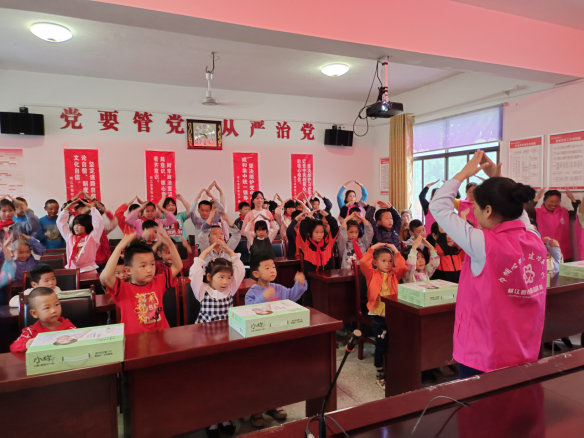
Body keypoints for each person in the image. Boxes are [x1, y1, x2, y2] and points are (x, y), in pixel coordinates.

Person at [430, 150, 546, 379]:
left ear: (489, 210)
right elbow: (518, 215)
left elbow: (439, 207)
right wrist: (498, 181)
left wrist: (463, 174)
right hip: (525, 347)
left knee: (479, 402)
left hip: (484, 352)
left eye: (476, 208)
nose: (473, 212)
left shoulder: (482, 243)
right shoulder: (534, 238)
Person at [244, 255, 307, 427]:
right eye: (267, 267)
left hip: (277, 337)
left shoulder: (278, 288)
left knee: (275, 373)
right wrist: (263, 297)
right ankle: (256, 409)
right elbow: (248, 312)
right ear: (256, 273)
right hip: (259, 340)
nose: (272, 270)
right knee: (259, 374)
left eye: (273, 267)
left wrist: (299, 283)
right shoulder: (252, 293)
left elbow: (292, 296)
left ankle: (273, 403)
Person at [100, 229, 182, 334]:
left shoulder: (158, 282)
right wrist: (119, 247)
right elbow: (105, 276)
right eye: (143, 266)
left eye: (152, 264)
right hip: (135, 340)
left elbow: (178, 266)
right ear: (128, 271)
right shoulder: (123, 289)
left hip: (161, 337)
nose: (149, 269)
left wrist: (169, 243)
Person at [360, 242, 407, 390]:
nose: (388, 264)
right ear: (375, 262)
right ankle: (380, 373)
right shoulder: (371, 274)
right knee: (380, 345)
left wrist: (395, 250)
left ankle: (394, 368)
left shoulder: (394, 274)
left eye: (390, 261)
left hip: (394, 315)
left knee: (396, 343)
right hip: (379, 317)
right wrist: (374, 247)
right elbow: (363, 262)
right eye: (383, 261)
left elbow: (402, 266)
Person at [10, 287, 77, 353]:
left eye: (56, 304)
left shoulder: (70, 328)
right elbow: (13, 346)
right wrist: (26, 344)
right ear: (34, 313)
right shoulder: (30, 332)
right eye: (47, 308)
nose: (54, 310)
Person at [298, 210, 339, 306]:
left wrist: (327, 215)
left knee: (327, 298)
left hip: (326, 274)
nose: (319, 235)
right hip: (311, 276)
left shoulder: (328, 241)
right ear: (310, 233)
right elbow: (302, 228)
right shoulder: (306, 242)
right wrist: (308, 217)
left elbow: (335, 227)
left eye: (321, 232)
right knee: (310, 297)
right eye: (316, 232)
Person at [527, 188, 579, 261]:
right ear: (544, 200)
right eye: (551, 201)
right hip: (545, 252)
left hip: (563, 252)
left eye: (556, 201)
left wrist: (572, 199)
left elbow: (579, 212)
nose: (553, 204)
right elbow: (527, 209)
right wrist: (537, 198)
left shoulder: (564, 212)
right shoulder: (537, 212)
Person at [57, 198, 104, 273]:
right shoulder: (69, 237)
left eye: (79, 225)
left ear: (87, 226)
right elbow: (60, 223)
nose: (76, 227)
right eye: (75, 224)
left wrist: (93, 208)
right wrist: (66, 209)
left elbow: (99, 222)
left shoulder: (92, 237)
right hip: (72, 271)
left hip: (89, 270)